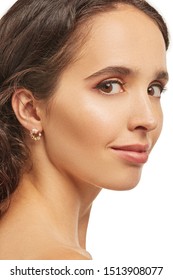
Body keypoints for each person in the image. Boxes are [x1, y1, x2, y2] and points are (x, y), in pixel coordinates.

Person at [0, 0, 169, 260]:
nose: (148, 119)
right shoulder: (60, 262)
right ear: (31, 110)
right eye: (109, 86)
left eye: (154, 88)